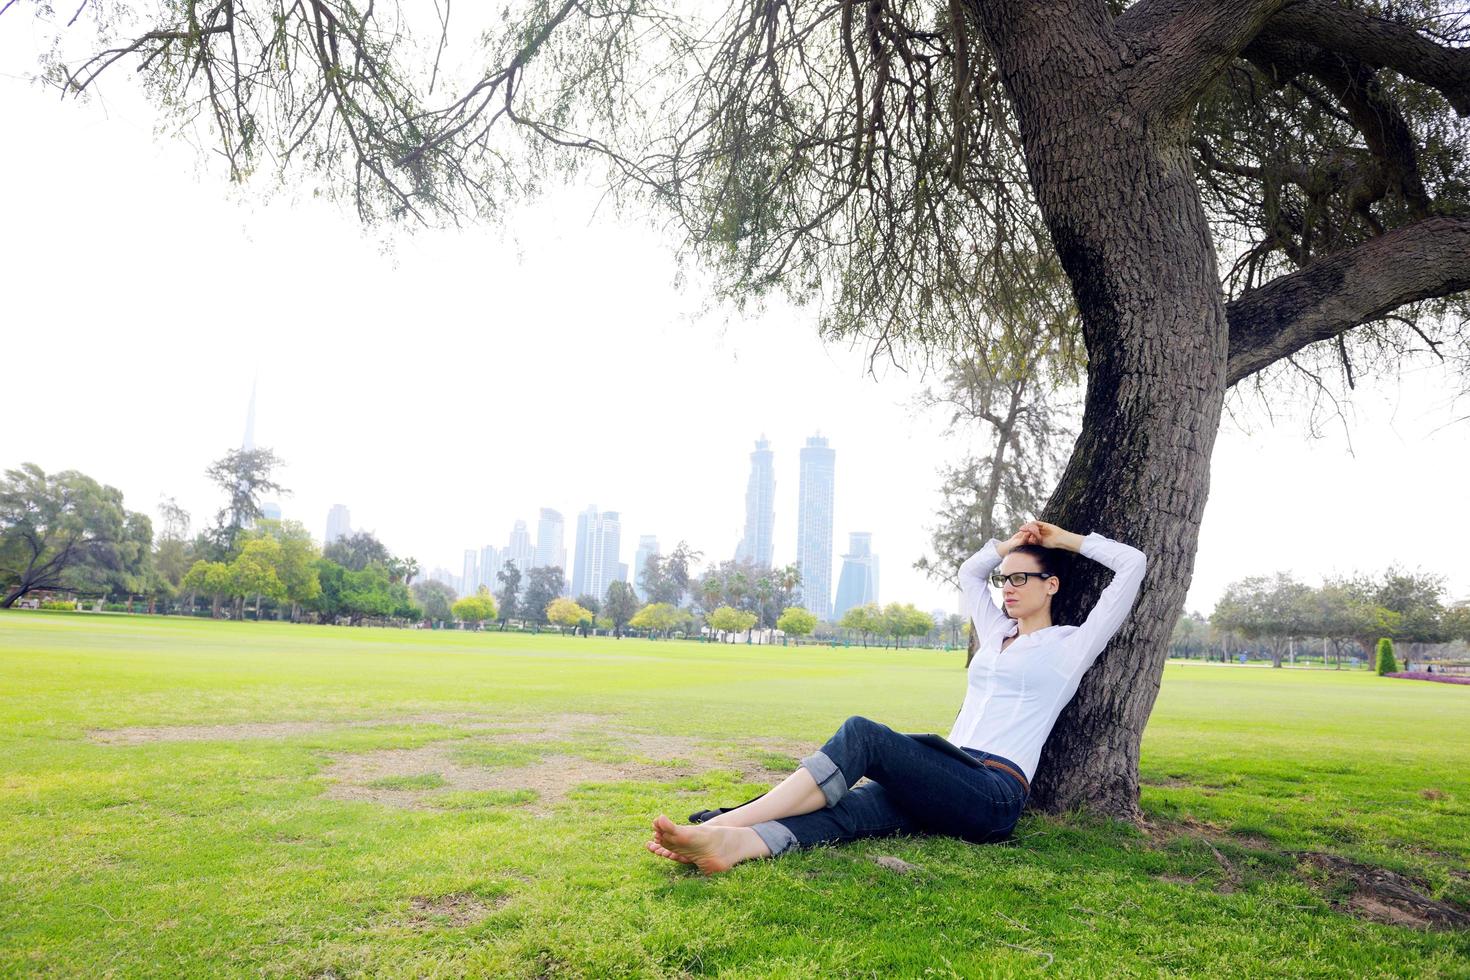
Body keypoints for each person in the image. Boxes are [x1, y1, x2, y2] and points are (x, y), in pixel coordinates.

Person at [646, 519, 1147, 874]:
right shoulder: (996, 635)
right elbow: (969, 573)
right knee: (850, 809)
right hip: (946, 770)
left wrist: (1066, 540)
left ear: (1051, 584)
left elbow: (1133, 564)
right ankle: (729, 848)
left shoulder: (1071, 645)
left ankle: (724, 821)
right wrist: (1007, 545)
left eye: (1021, 578)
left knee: (863, 735)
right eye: (1005, 579)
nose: (1007, 588)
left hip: (994, 793)